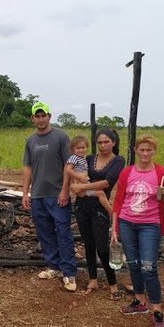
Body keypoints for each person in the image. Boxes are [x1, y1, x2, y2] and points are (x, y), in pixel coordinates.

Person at [112, 134, 164, 327]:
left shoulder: (162, 173)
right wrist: (114, 228)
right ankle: (140, 300)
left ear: (154, 152)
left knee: (149, 266)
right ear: (136, 151)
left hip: (150, 225)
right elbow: (119, 201)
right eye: (142, 150)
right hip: (127, 222)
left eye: (149, 150)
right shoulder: (127, 172)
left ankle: (157, 309)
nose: (146, 153)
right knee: (133, 264)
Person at [22, 101, 78, 292]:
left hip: (57, 195)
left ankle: (69, 272)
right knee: (45, 232)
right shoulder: (31, 141)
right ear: (33, 119)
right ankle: (53, 266)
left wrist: (65, 190)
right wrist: (25, 193)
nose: (40, 119)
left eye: (43, 115)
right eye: (36, 116)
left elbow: (68, 165)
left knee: (63, 233)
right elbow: (28, 168)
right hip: (38, 195)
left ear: (49, 116)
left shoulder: (60, 137)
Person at [70, 128, 125, 298]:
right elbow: (77, 173)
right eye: (99, 142)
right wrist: (77, 185)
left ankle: (112, 282)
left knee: (102, 247)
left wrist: (83, 186)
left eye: (106, 142)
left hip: (100, 210)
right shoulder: (89, 158)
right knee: (88, 244)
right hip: (82, 205)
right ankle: (93, 278)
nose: (102, 145)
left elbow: (107, 183)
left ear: (113, 142)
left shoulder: (118, 161)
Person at [65, 134, 113, 216]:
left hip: (83, 184)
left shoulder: (83, 158)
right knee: (100, 193)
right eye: (78, 148)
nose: (81, 150)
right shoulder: (74, 158)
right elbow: (68, 170)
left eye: (83, 148)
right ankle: (110, 211)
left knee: (99, 192)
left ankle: (108, 210)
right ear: (72, 150)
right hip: (79, 184)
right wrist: (79, 177)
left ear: (87, 148)